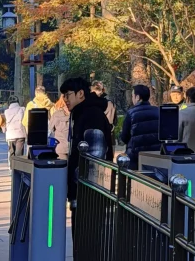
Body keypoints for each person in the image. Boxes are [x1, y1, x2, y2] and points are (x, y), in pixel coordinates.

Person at [60, 77, 113, 232]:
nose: (65, 100)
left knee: (87, 242)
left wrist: (80, 185)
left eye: (67, 95)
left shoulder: (91, 115)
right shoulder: (80, 114)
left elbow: (94, 158)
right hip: (83, 194)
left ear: (80, 94)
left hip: (89, 197)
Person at [121, 84, 160, 169]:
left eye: (132, 96)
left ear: (137, 97)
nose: (132, 98)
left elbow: (124, 137)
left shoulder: (131, 113)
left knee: (134, 180)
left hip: (135, 156)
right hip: (155, 156)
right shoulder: (158, 111)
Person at [49, 96, 70, 161]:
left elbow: (50, 129)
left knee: (63, 169)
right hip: (74, 148)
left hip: (60, 148)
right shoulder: (77, 114)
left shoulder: (56, 114)